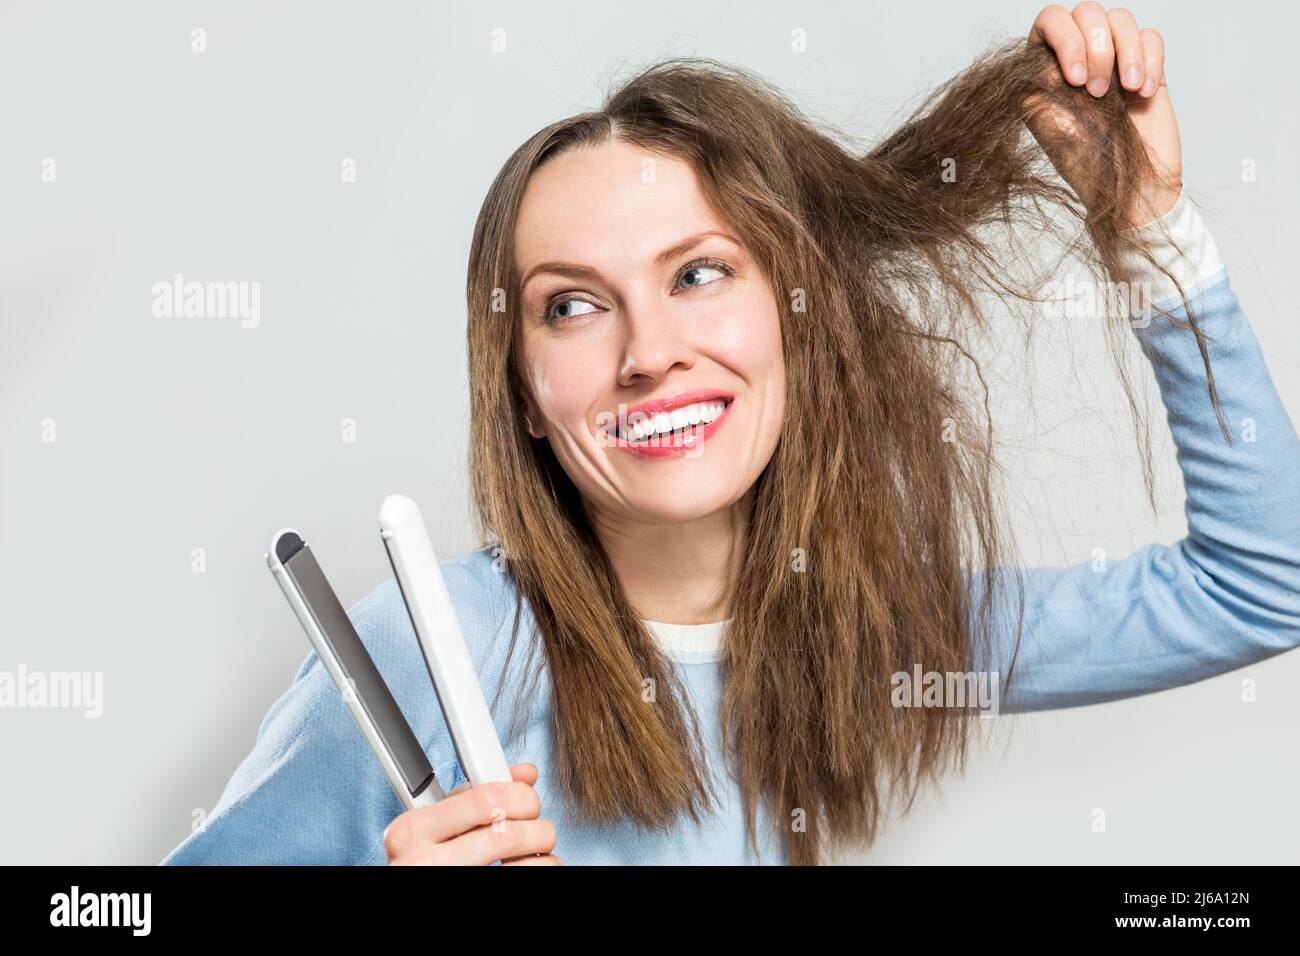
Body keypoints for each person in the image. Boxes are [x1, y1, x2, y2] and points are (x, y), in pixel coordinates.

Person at [163, 4, 1300, 866]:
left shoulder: (885, 634)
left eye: (699, 273)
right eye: (571, 303)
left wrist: (1146, 226)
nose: (647, 348)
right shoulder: (437, 645)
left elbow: (1265, 584)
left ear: (801, 323)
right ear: (520, 393)